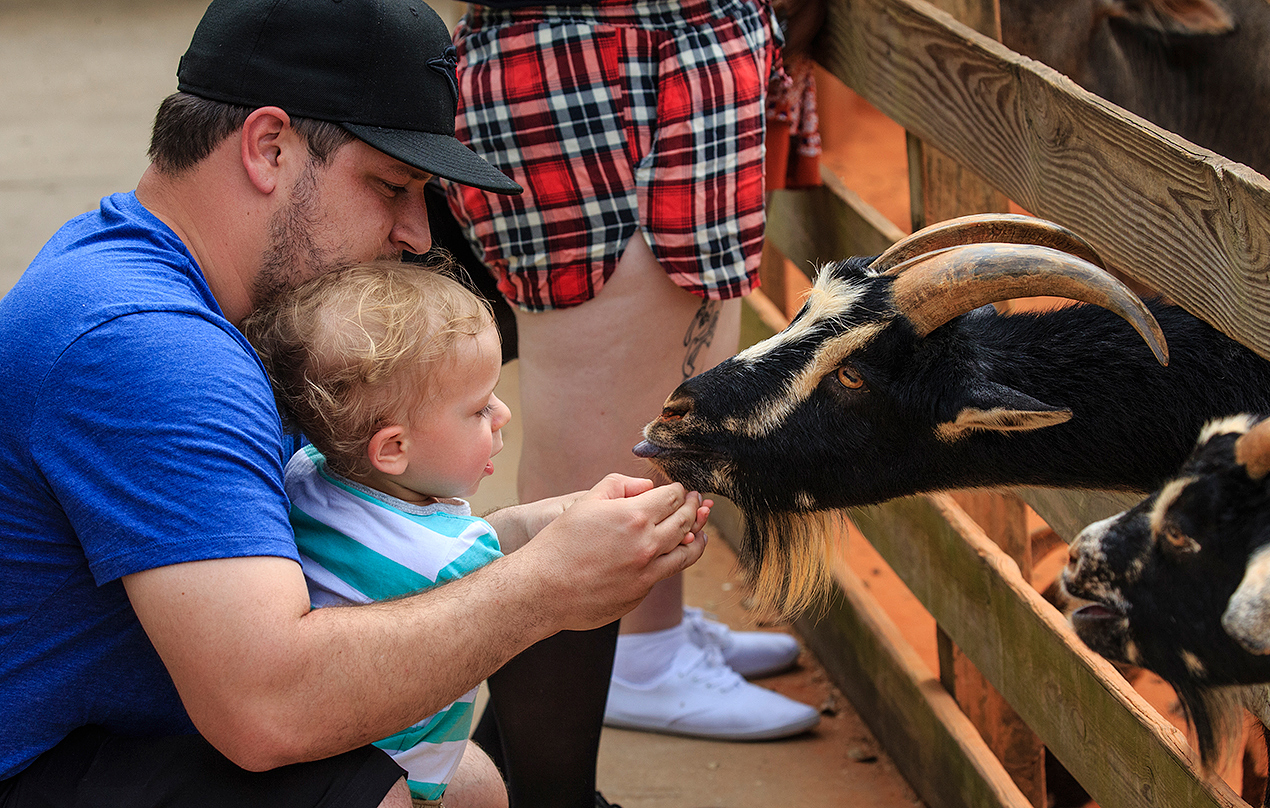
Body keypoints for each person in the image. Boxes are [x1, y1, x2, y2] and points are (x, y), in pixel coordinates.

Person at [0, 1, 710, 806]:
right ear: (269, 147)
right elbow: (267, 707)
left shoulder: (147, 269)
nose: (415, 232)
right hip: (38, 760)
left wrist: (520, 543)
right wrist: (543, 586)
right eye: (391, 186)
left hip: (127, 721)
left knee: (471, 784)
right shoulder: (154, 348)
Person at [443, 1, 821, 800]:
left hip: (670, 43)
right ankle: (630, 671)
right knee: (603, 404)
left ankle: (654, 633)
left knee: (680, 357)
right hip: (603, 51)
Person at [242, 260, 579, 807]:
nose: (503, 413)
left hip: (319, 756)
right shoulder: (461, 559)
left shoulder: (302, 472)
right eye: (478, 408)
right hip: (408, 774)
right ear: (394, 449)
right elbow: (516, 597)